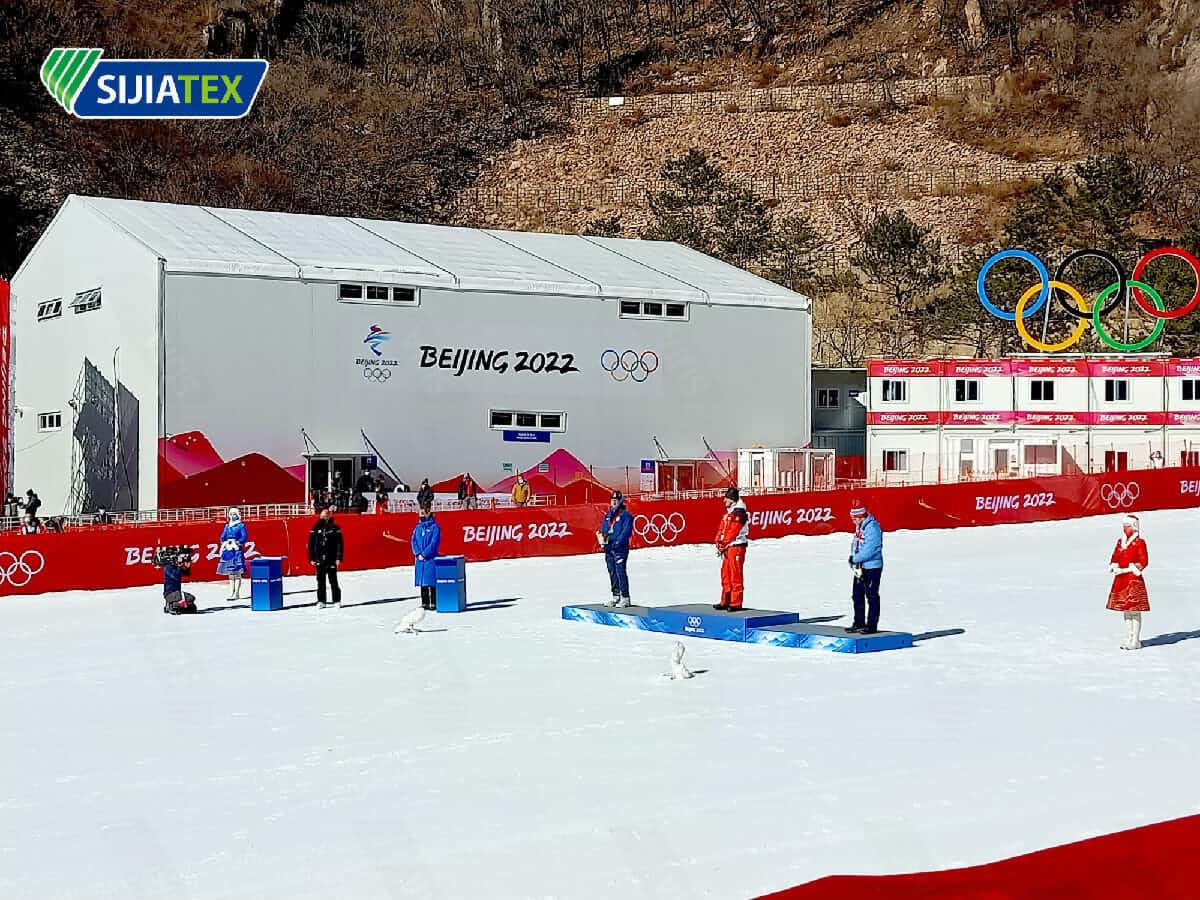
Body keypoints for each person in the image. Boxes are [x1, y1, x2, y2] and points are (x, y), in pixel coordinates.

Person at [385, 504, 442, 610]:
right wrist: (417, 553)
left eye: (422, 514)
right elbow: (413, 541)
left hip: (430, 559)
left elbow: (434, 543)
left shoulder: (435, 527)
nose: (420, 516)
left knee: (431, 581)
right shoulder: (418, 527)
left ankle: (433, 602)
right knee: (422, 582)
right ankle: (424, 602)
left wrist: (424, 554)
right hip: (419, 559)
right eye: (419, 514)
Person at [1107, 514, 1150, 650]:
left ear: (1134, 527)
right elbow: (1115, 556)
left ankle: (1135, 639)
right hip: (1121, 579)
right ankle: (1129, 636)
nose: (1125, 529)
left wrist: (1128, 569)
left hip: (1133, 580)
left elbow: (1143, 561)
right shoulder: (1120, 542)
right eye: (1124, 526)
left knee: (1134, 610)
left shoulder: (1140, 543)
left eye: (1128, 526)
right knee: (1125, 610)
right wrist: (1114, 565)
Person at [846, 500, 884, 634]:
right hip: (860, 566)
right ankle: (859, 622)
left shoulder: (872, 528)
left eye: (854, 518)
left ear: (861, 516)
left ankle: (871, 625)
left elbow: (870, 549)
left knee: (871, 595)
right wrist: (853, 557)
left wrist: (856, 558)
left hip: (872, 567)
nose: (852, 521)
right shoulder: (860, 527)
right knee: (857, 595)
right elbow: (855, 543)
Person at [714, 488, 750, 611]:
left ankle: (736, 602)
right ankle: (726, 600)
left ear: (732, 500)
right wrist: (718, 541)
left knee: (735, 574)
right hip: (728, 547)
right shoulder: (729, 512)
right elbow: (722, 528)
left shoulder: (739, 513)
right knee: (726, 574)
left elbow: (734, 531)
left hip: (736, 546)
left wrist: (723, 543)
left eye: (726, 498)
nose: (724, 501)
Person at [598, 491, 633, 607]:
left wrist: (618, 542)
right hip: (609, 548)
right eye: (612, 500)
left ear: (620, 502)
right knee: (612, 572)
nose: (613, 503)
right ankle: (616, 595)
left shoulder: (626, 516)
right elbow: (604, 529)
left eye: (616, 501)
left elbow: (626, 532)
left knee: (620, 571)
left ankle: (625, 597)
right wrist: (602, 536)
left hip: (620, 549)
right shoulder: (608, 515)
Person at [308, 506, 344, 608]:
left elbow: (339, 544)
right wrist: (311, 558)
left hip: (331, 558)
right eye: (322, 516)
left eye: (326, 515)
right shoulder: (315, 528)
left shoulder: (335, 528)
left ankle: (336, 600)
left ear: (329, 516)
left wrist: (338, 557)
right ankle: (321, 601)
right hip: (319, 559)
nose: (324, 517)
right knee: (320, 581)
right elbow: (311, 544)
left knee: (333, 581)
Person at [216, 507, 249, 601]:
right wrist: (225, 542)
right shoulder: (227, 526)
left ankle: (237, 593)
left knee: (237, 572)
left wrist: (237, 542)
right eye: (231, 514)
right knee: (230, 573)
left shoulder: (241, 525)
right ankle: (231, 592)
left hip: (237, 550)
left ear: (238, 515)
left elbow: (244, 537)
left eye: (234, 514)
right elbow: (222, 536)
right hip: (228, 549)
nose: (232, 516)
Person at [161, 550, 197, 615]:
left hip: (178, 593)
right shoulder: (167, 567)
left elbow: (187, 574)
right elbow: (175, 577)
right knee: (181, 598)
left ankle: (178, 605)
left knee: (191, 599)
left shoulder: (177, 567)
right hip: (169, 593)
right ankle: (170, 605)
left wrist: (187, 566)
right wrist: (180, 566)